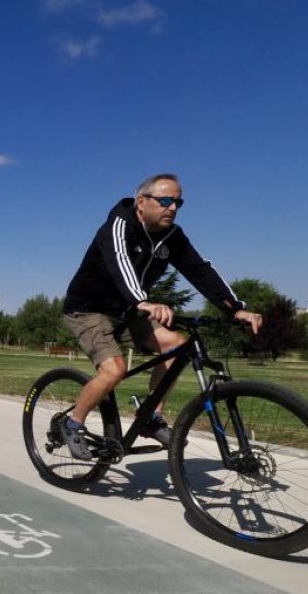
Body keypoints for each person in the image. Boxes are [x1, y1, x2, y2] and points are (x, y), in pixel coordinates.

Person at [60, 173, 262, 460]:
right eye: (166, 201)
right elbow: (121, 263)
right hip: (88, 308)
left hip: (128, 310)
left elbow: (200, 270)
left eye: (178, 202)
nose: (173, 208)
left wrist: (235, 308)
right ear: (142, 202)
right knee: (114, 371)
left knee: (176, 345)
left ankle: (151, 416)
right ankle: (72, 423)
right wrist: (143, 301)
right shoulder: (119, 225)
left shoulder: (172, 237)